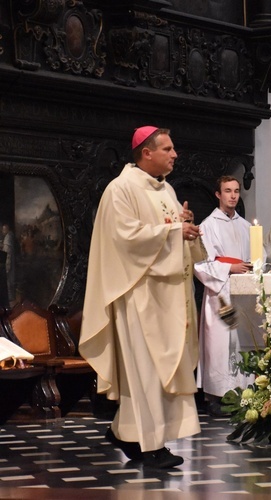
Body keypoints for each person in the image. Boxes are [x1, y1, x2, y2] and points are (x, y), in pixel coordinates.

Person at [79, 126, 203, 469]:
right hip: (138, 296)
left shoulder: (167, 190)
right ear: (146, 152)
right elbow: (126, 238)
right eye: (168, 149)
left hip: (168, 296)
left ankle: (126, 431)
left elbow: (169, 231)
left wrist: (185, 227)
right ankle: (151, 446)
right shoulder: (120, 189)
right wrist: (174, 231)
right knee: (146, 372)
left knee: (161, 371)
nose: (175, 154)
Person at [193, 176, 256, 416]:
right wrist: (230, 268)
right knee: (220, 344)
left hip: (244, 292)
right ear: (218, 195)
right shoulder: (208, 225)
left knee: (242, 342)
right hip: (221, 293)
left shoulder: (247, 226)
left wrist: (251, 267)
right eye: (227, 191)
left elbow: (258, 255)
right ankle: (217, 397)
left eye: (236, 191)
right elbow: (201, 263)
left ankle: (244, 393)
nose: (233, 196)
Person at [1, 223, 16, 305]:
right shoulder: (8, 236)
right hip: (9, 262)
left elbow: (8, 255)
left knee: (9, 282)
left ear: (6, 229)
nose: (2, 231)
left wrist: (6, 268)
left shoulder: (8, 238)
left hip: (8, 264)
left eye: (3, 229)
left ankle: (10, 301)